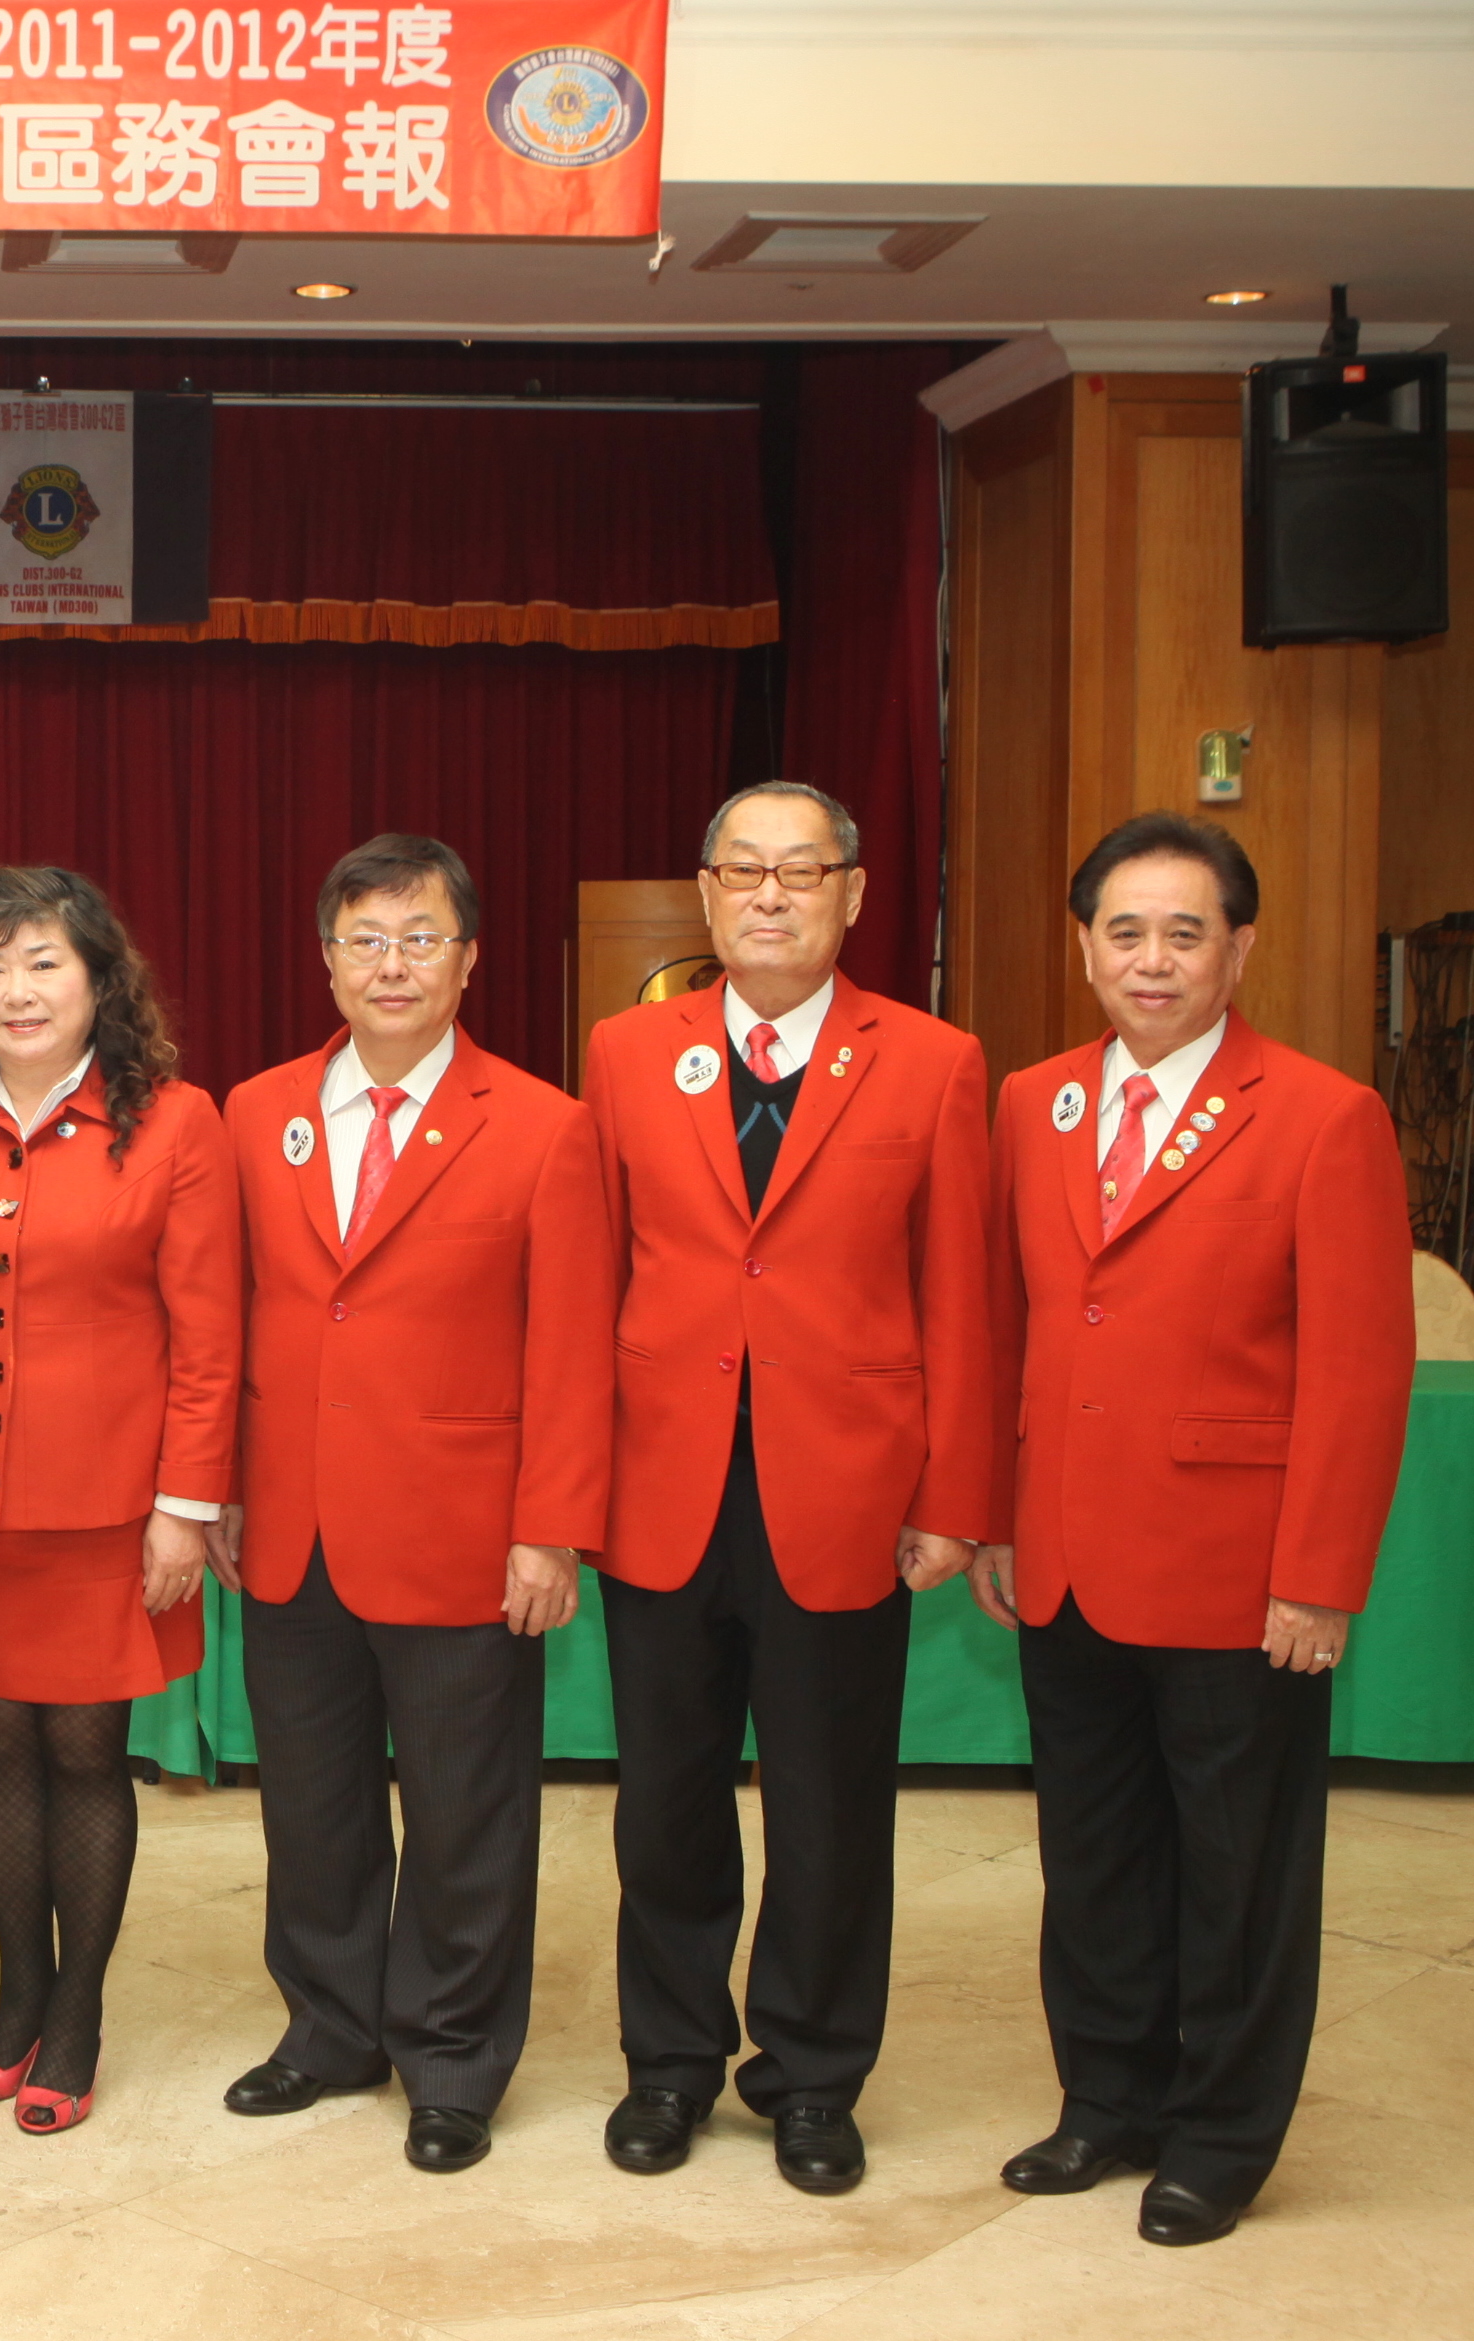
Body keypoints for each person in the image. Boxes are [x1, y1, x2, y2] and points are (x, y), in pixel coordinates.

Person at [979, 814, 1410, 2247]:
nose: (1150, 959)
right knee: (1093, 1853)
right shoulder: (1033, 1102)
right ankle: (1105, 2097)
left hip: (1237, 1567)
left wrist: (1318, 1575)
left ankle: (1219, 2137)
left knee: (1239, 1870)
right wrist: (995, 1519)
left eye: (1183, 931)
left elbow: (1359, 1369)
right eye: (1124, 931)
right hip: (1062, 1556)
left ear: (1238, 946)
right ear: (1083, 947)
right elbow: (1009, 1325)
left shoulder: (1321, 1115)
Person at [581, 783, 993, 2196]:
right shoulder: (628, 1052)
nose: (769, 894)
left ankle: (814, 2075)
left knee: (830, 1810)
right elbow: (593, 1277)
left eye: (799, 871)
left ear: (852, 894)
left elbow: (959, 1295)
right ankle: (668, 2062)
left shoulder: (933, 1061)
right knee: (664, 1805)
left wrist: (952, 1494)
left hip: (847, 1493)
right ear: (705, 893)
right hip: (662, 1488)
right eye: (743, 870)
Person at [214, 834, 614, 2174]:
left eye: (420, 937)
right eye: (365, 939)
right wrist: (219, 1488)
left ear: (468, 959)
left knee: (463, 1816)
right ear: (327, 960)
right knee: (310, 1805)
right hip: (291, 1523)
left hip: (465, 1530)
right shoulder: (254, 1112)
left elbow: (571, 1346)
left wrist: (549, 1526)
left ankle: (450, 2056)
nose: (391, 964)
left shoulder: (544, 1124)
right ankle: (329, 2028)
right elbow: (229, 1315)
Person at [0, 866, 238, 2136]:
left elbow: (209, 1333)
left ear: (99, 980)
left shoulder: (176, 1120)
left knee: (85, 1755)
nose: (17, 990)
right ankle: (16, 1995)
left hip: (110, 1505)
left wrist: (185, 1503)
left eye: (44, 963)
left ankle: (75, 2011)